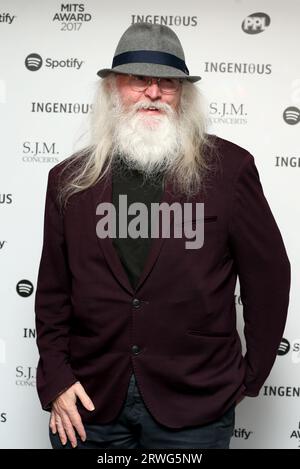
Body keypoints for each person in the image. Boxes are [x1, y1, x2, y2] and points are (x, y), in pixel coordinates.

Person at [35, 22, 290, 449]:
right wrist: (58, 378)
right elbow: (53, 294)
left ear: (182, 94)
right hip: (89, 405)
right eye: (139, 79)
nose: (153, 92)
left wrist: (250, 375)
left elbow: (269, 277)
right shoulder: (68, 181)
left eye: (168, 82)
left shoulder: (230, 170)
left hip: (196, 406)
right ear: (114, 88)